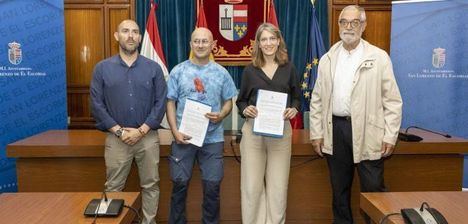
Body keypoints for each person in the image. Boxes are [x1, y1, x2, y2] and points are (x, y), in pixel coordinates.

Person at [309, 5, 403, 224]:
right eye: (344, 22)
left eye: (354, 22)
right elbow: (317, 99)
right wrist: (317, 132)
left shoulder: (379, 58)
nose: (348, 27)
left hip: (369, 132)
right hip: (336, 130)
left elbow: (392, 100)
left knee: (373, 192)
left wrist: (390, 135)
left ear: (364, 26)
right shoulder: (327, 59)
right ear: (338, 25)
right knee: (339, 191)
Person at [90, 19, 167, 224]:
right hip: (116, 138)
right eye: (125, 31)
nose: (130, 35)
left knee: (151, 185)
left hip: (148, 136)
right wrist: (119, 131)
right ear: (117, 36)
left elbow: (161, 103)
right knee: (114, 187)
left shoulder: (154, 69)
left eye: (135, 32)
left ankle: (148, 222)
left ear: (140, 38)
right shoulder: (102, 68)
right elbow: (97, 105)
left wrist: (141, 131)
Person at [166, 27, 237, 224]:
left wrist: (221, 114)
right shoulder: (178, 71)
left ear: (213, 45)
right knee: (179, 186)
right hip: (183, 138)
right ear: (190, 44)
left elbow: (228, 102)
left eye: (205, 41)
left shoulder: (221, 73)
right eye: (196, 41)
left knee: (212, 188)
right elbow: (170, 102)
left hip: (212, 140)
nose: (200, 45)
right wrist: (174, 131)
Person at [236, 22, 301, 224]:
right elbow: (241, 100)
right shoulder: (250, 70)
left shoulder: (288, 68)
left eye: (272, 38)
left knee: (278, 187)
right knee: (252, 186)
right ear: (258, 43)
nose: (268, 43)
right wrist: (245, 109)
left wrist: (294, 109)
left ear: (279, 40)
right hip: (253, 134)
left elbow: (297, 98)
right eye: (264, 39)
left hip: (281, 133)